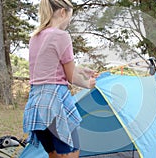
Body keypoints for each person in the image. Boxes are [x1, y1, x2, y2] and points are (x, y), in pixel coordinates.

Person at [23, 0, 97, 158]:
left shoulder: (35, 37)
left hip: (36, 106)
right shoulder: (61, 36)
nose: (69, 22)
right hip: (55, 105)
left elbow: (52, 69)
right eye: (70, 16)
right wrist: (87, 83)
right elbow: (70, 77)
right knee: (72, 153)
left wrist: (82, 71)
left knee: (54, 155)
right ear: (63, 12)